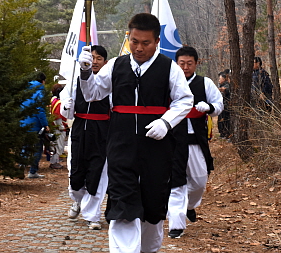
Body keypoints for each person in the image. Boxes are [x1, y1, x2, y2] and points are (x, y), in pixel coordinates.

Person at [78, 13, 193, 253]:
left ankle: (148, 248)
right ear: (128, 37)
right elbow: (92, 94)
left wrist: (166, 122)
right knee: (123, 202)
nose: (139, 48)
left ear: (157, 41)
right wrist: (86, 73)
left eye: (145, 43)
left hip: (157, 145)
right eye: (134, 41)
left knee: (153, 205)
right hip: (121, 143)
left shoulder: (168, 67)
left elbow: (184, 100)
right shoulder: (116, 65)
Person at [167, 46, 224, 239]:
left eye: (189, 63)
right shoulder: (168, 83)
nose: (185, 67)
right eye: (181, 63)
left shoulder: (204, 83)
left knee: (200, 181)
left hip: (196, 140)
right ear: (176, 63)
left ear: (196, 63)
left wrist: (208, 107)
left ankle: (190, 205)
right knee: (176, 184)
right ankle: (176, 224)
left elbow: (219, 105)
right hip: (173, 141)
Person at [60, 45, 110, 231]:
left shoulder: (109, 82)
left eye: (99, 59)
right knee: (76, 171)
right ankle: (78, 200)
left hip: (101, 132)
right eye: (92, 57)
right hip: (80, 129)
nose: (95, 61)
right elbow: (66, 109)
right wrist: (67, 105)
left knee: (97, 173)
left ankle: (92, 215)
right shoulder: (75, 81)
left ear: (105, 62)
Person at [20, 72, 50, 179]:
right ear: (42, 81)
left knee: (25, 147)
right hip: (35, 125)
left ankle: (21, 166)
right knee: (37, 148)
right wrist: (45, 125)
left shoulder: (25, 91)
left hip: (23, 123)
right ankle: (32, 171)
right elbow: (40, 111)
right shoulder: (40, 93)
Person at [49, 83, 67, 169]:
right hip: (58, 127)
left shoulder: (53, 101)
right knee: (58, 146)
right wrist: (61, 127)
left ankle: (54, 161)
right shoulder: (59, 103)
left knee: (55, 145)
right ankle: (54, 162)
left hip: (55, 126)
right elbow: (57, 116)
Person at [217, 70, 231, 139]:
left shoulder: (227, 86)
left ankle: (226, 134)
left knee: (225, 120)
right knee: (220, 120)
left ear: (224, 79)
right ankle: (222, 134)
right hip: (221, 106)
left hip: (226, 106)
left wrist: (223, 90)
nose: (219, 80)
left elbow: (226, 92)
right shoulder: (220, 86)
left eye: (220, 78)